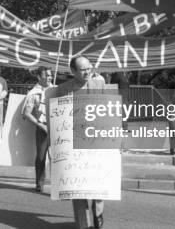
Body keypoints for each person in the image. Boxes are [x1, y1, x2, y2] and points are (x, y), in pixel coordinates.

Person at [45, 56, 104, 229]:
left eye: (89, 68)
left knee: (98, 185)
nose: (87, 72)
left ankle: (98, 215)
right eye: (82, 69)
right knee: (78, 189)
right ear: (73, 71)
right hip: (72, 145)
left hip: (97, 143)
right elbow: (56, 119)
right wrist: (53, 144)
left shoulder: (100, 86)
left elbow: (110, 115)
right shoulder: (62, 90)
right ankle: (83, 224)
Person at [22, 66, 54, 192]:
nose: (50, 77)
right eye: (47, 75)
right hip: (42, 128)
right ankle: (39, 183)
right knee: (41, 157)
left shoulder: (57, 90)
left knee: (58, 157)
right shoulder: (33, 93)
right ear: (39, 77)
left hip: (58, 127)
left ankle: (60, 184)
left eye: (51, 75)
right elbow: (26, 113)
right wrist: (41, 125)